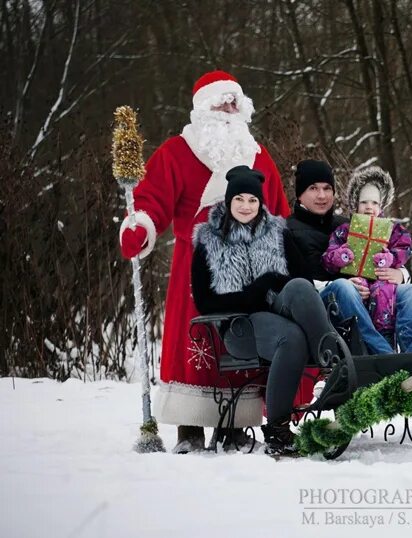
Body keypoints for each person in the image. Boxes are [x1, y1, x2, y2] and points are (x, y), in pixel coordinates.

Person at [117, 70, 290, 453]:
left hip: (247, 269)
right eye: (221, 102)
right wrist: (141, 225)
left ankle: (234, 425)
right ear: (203, 109)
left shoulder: (258, 154)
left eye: (235, 102)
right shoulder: (178, 151)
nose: (229, 109)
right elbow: (151, 199)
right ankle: (190, 429)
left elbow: (280, 214)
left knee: (240, 342)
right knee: (193, 342)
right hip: (193, 265)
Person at [191, 166, 345, 455]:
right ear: (228, 202)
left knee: (299, 287)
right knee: (291, 337)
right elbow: (205, 301)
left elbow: (301, 278)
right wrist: (254, 292)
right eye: (240, 199)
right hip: (239, 325)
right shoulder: (209, 241)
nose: (246, 206)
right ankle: (277, 429)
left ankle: (334, 365)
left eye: (253, 200)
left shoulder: (277, 232)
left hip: (278, 309)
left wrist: (274, 283)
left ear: (261, 203)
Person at [286, 160, 412, 355]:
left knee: (410, 292)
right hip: (323, 305)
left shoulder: (350, 225)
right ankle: (385, 355)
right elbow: (293, 283)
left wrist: (400, 274)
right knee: (344, 288)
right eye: (313, 188)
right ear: (300, 194)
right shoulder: (287, 230)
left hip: (366, 296)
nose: (321, 195)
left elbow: (383, 254)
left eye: (327, 188)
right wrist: (338, 284)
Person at [322, 166, 412, 344]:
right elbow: (328, 258)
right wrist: (340, 256)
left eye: (374, 203)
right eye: (364, 202)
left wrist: (391, 259)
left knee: (384, 290)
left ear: (382, 206)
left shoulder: (392, 229)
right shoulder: (344, 230)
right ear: (356, 204)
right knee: (360, 291)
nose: (369, 207)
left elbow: (405, 247)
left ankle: (387, 336)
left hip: (383, 283)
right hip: (357, 281)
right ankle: (361, 339)